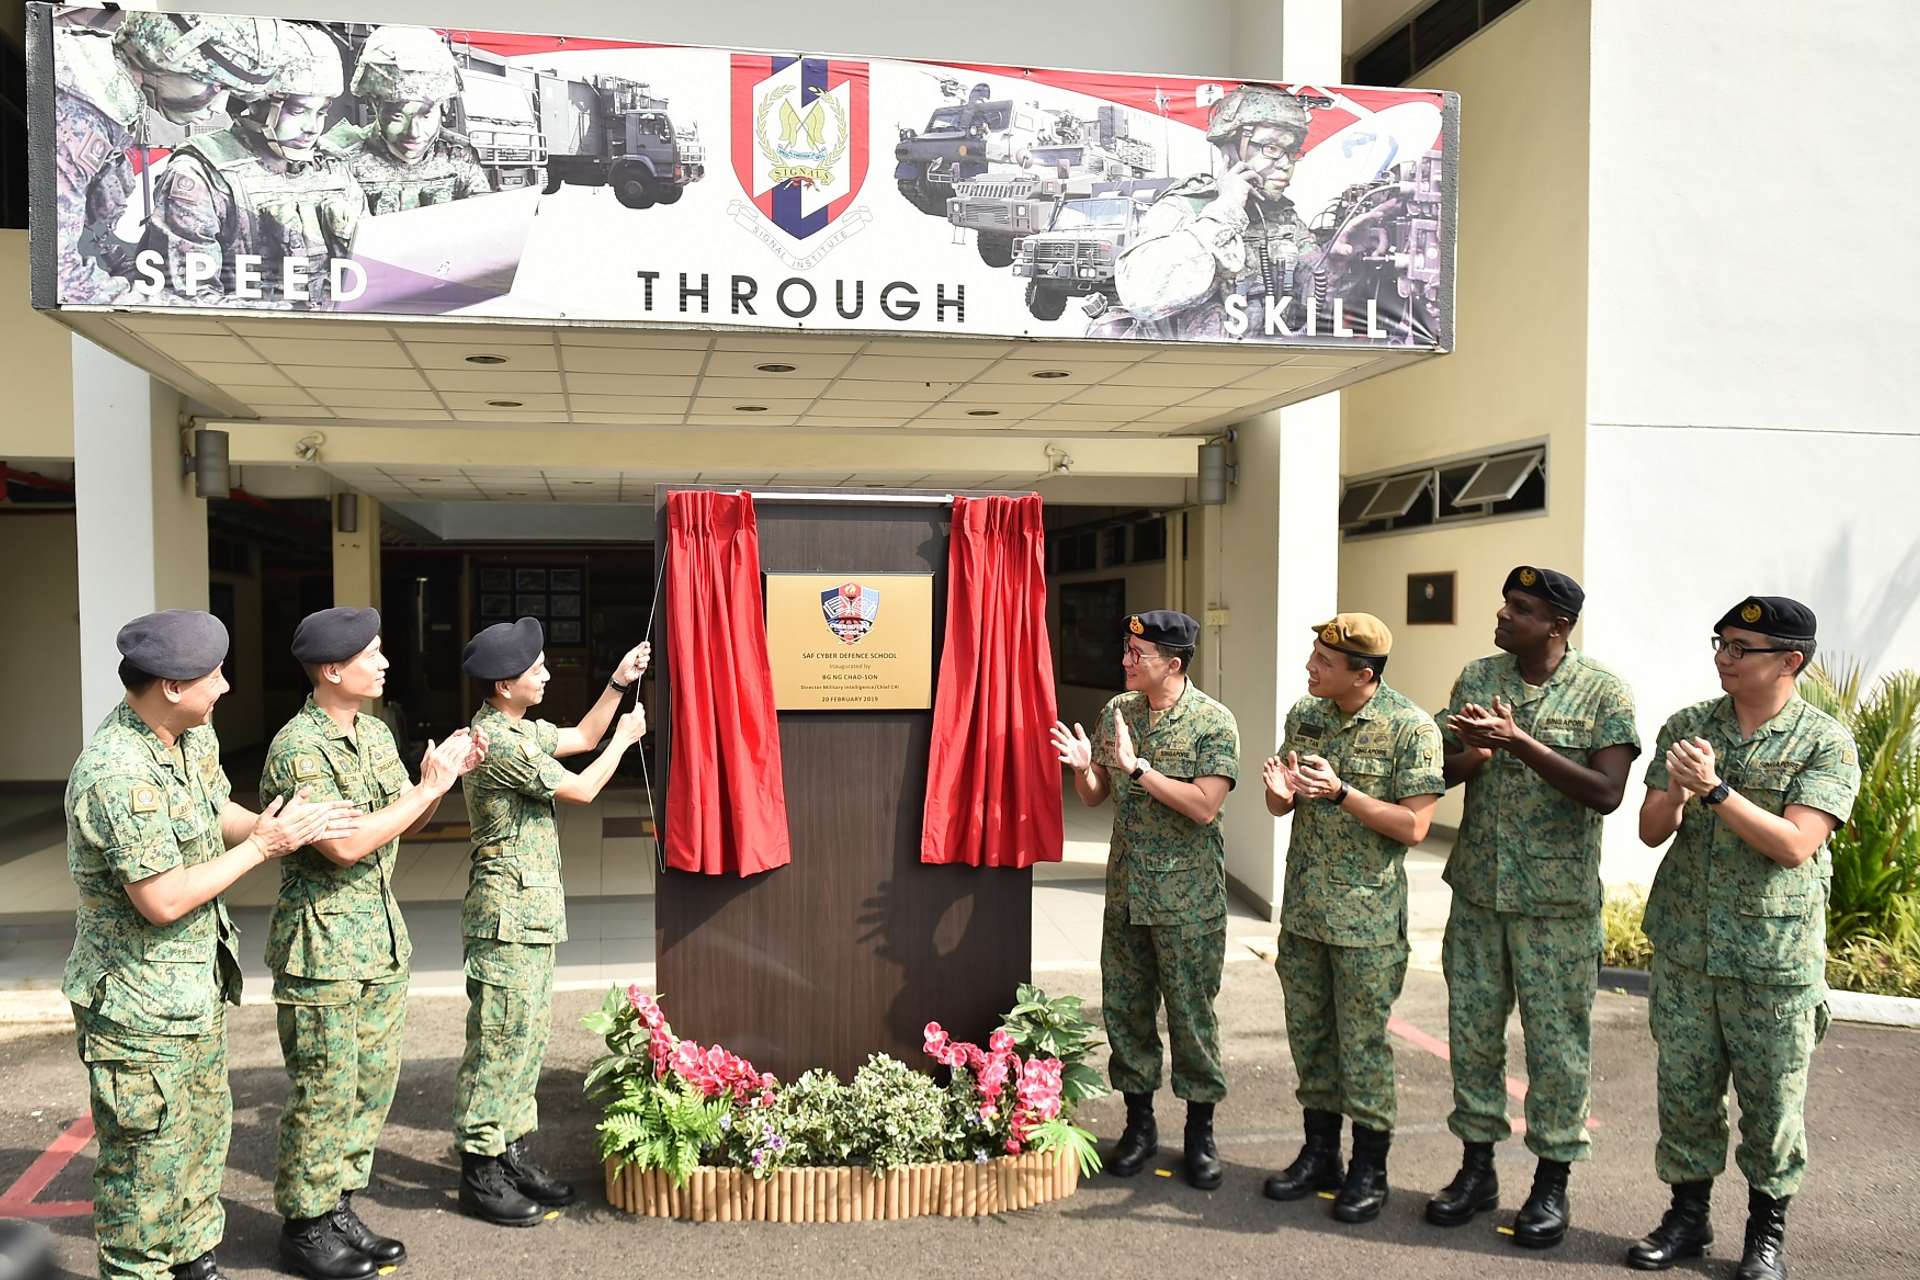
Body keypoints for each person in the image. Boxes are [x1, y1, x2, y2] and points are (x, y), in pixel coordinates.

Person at [64, 610, 357, 1280]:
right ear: (171, 686)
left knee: (199, 1144)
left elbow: (212, 808)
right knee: (145, 1174)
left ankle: (195, 1259)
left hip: (192, 988)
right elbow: (162, 899)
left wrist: (279, 825)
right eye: (214, 675)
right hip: (138, 1010)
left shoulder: (188, 734)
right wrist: (264, 847)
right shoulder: (116, 773)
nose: (225, 687)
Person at [1627, 596, 1859, 1280]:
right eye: (1720, 644)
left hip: (1773, 960)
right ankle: (1686, 1218)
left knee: (1772, 1105)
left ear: (1790, 661)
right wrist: (1676, 792)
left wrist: (1716, 790)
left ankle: (1766, 1234)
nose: (1724, 658)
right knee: (1685, 1093)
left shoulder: (1824, 742)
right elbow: (1650, 830)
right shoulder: (1690, 725)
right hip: (1687, 947)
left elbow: (1794, 845)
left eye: (1740, 649)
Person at [260, 608, 486, 1278]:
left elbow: (403, 820)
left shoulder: (375, 732)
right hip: (322, 948)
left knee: (371, 1085)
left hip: (379, 940)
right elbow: (347, 844)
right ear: (333, 670)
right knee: (324, 1090)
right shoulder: (298, 749)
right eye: (372, 654)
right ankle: (304, 1224)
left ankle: (338, 1206)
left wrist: (436, 783)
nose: (386, 663)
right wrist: (425, 789)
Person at [1423, 566, 1640, 1249]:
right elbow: (1439, 769)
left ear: (1557, 626)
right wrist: (1476, 755)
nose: (1504, 614)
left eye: (1521, 608)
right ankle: (1476, 1169)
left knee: (1556, 1048)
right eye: (1506, 603)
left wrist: (1522, 743)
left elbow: (1607, 793)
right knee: (1472, 1037)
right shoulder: (1477, 677)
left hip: (1556, 906)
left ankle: (1551, 1184)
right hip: (1479, 893)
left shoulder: (1603, 691)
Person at [452, 618, 650, 1225]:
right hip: (505, 920)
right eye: (534, 669)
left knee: (527, 1038)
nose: (545, 674)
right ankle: (480, 1172)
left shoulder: (516, 727)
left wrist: (617, 683)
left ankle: (508, 1154)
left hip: (528, 915)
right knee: (499, 1042)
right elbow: (585, 786)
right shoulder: (500, 743)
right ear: (504, 685)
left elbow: (583, 736)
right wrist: (627, 739)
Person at [1260, 613, 1444, 1223]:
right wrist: (1281, 796)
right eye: (1313, 656)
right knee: (1310, 1037)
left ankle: (1370, 1167)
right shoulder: (1305, 714)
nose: (1310, 668)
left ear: (1362, 674)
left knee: (1362, 1046)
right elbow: (1281, 803)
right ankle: (1320, 1154)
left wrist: (1343, 793)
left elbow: (1415, 826)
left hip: (1366, 922)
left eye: (1323, 662)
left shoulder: (1410, 728)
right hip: (1305, 912)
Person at [1050, 610, 1239, 1189]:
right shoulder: (1119, 711)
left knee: (1190, 1018)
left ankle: (1200, 1134)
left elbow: (1205, 806)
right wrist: (1085, 770)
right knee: (1127, 1013)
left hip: (1188, 900)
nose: (1126, 661)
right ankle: (1139, 1126)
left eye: (1139, 655)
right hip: (1127, 893)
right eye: (1127, 650)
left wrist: (1140, 771)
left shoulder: (1212, 722)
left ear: (1173, 664)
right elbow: (1095, 795)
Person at [50, 12, 284, 302]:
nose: (218, 108)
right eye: (216, 85)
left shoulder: (100, 75)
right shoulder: (78, 116)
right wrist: (174, 309)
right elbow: (61, 279)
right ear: (161, 60)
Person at [142, 21, 365, 306]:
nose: (312, 128)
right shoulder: (201, 175)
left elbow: (373, 271)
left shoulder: (333, 167)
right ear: (255, 103)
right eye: (298, 111)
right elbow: (190, 298)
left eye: (320, 112)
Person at [1112, 84, 1320, 340]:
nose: (1286, 164)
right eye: (1272, 148)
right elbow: (1141, 296)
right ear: (1230, 150)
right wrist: (1227, 209)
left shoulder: (1284, 219)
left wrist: (1341, 257)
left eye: (1292, 151)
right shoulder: (1185, 207)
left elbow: (1323, 291)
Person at [323, 25, 491, 215]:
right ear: (374, 105)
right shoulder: (344, 160)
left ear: (444, 107)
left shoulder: (459, 157)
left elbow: (484, 220)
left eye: (425, 115)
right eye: (398, 116)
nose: (414, 132)